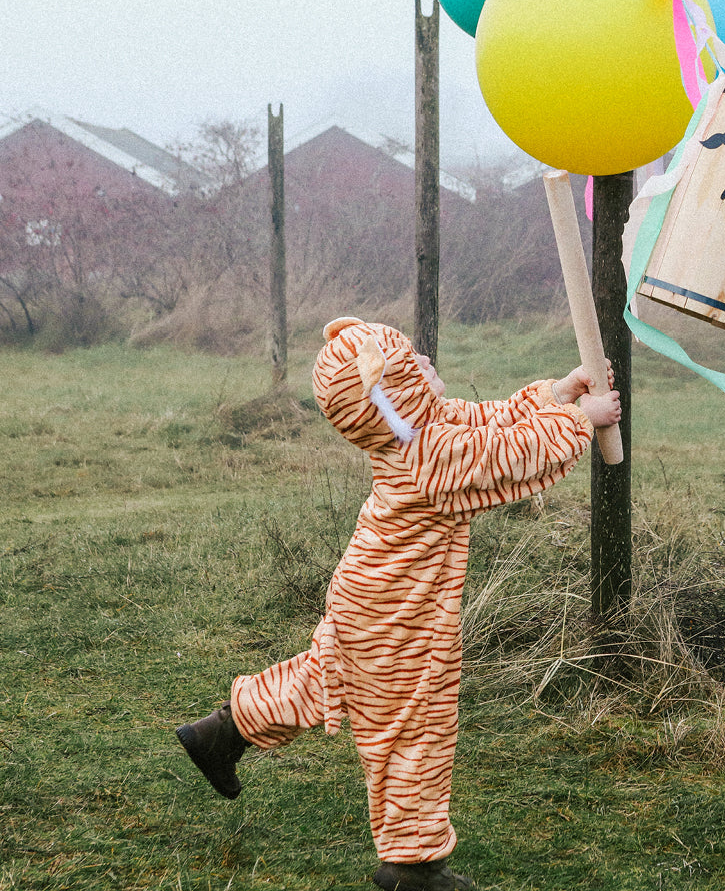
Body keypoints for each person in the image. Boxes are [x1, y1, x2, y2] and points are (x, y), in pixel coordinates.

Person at [176, 316, 621, 891]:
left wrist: (558, 395)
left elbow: (480, 423)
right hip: (396, 618)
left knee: (323, 681)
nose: (426, 364)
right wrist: (578, 424)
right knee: (413, 727)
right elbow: (500, 455)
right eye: (412, 366)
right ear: (392, 394)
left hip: (366, 598)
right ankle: (412, 867)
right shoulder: (426, 453)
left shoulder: (411, 432)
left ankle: (220, 734)